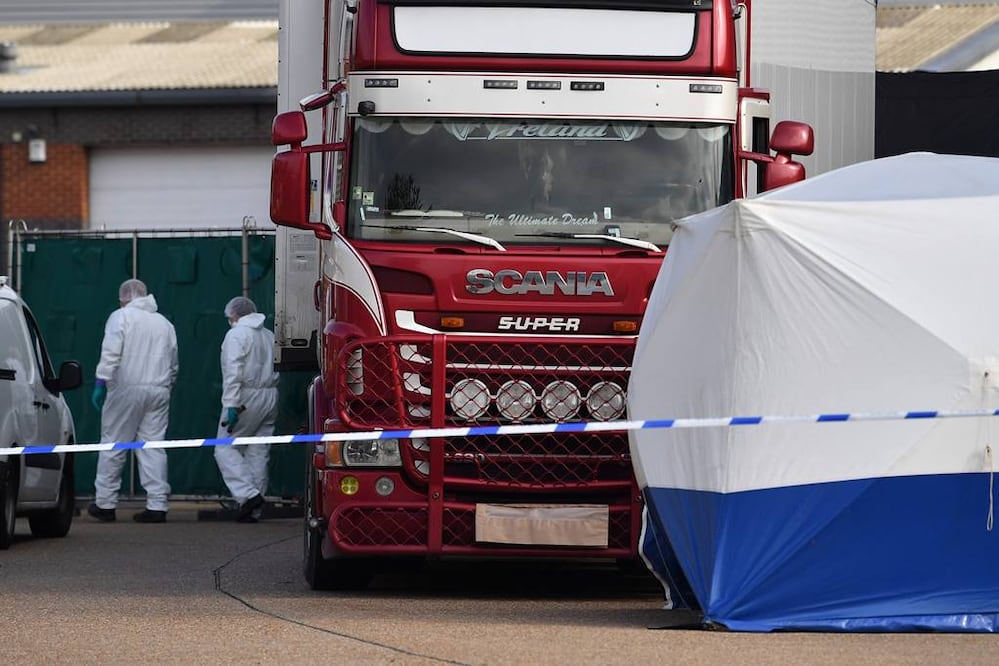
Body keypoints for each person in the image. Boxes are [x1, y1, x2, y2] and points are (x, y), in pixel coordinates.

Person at [88, 278, 178, 524]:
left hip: (126, 389)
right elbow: (173, 363)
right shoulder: (164, 324)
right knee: (153, 447)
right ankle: (157, 504)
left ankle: (105, 503)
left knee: (114, 444)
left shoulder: (121, 317)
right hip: (159, 390)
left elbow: (111, 352)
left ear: (124, 297)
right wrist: (166, 385)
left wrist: (100, 381)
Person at [213, 296, 279, 523]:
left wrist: (230, 404)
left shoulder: (236, 335)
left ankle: (248, 496)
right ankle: (254, 506)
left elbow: (233, 372)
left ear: (234, 315)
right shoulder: (268, 336)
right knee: (258, 451)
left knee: (223, 448)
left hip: (245, 398)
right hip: (270, 396)